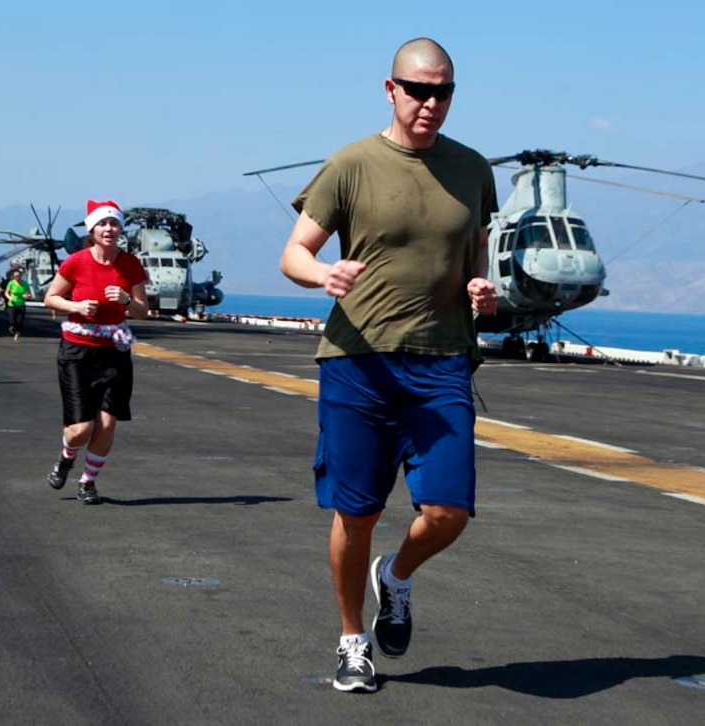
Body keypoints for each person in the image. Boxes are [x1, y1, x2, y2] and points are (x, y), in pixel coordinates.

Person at [278, 38, 499, 693]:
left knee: (449, 511)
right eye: (418, 90)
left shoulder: (473, 169)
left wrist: (480, 285)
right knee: (357, 511)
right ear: (391, 89)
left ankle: (395, 578)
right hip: (358, 364)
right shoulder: (351, 164)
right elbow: (293, 252)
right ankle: (352, 640)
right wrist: (323, 272)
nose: (431, 103)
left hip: (442, 365)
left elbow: (476, 248)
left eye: (444, 92)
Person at [43, 199, 148, 505]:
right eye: (102, 223)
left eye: (114, 223)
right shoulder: (75, 262)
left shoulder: (130, 264)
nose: (109, 229)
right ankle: (66, 456)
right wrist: (75, 305)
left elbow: (142, 312)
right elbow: (51, 298)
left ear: (120, 229)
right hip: (77, 351)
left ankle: (87, 482)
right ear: (91, 229)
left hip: (114, 351)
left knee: (106, 423)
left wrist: (128, 300)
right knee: (80, 429)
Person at [4, 268, 33, 341]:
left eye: (19, 276)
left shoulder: (25, 284)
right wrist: (10, 298)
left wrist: (27, 296)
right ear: (14, 277)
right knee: (12, 320)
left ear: (21, 276)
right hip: (12, 304)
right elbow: (6, 292)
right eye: (16, 276)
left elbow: (29, 294)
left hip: (21, 304)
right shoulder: (11, 283)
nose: (17, 277)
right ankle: (12, 327)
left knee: (20, 321)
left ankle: (17, 334)